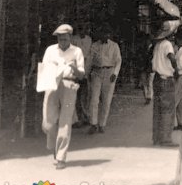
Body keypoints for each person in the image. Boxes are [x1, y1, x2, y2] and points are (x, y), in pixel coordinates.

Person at [41, 24, 85, 170]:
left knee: (65, 121)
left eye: (65, 39)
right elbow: (44, 70)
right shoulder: (50, 50)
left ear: (70, 38)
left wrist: (73, 68)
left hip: (69, 85)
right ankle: (54, 146)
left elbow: (82, 75)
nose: (62, 42)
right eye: (60, 39)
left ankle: (61, 156)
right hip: (52, 85)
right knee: (49, 121)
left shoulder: (77, 51)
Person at [88, 23, 122, 134]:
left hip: (110, 73)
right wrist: (87, 72)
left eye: (106, 33)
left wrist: (115, 74)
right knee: (94, 99)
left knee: (106, 100)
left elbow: (118, 61)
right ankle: (93, 123)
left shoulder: (114, 46)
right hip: (97, 72)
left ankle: (102, 124)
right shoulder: (94, 45)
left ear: (109, 34)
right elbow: (89, 60)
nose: (104, 35)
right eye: (102, 33)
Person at [152, 20, 180, 147]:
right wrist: (176, 71)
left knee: (157, 110)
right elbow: (172, 58)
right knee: (168, 110)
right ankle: (166, 139)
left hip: (157, 78)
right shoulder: (168, 44)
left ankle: (157, 137)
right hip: (166, 79)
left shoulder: (158, 45)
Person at [70, 24, 92, 128]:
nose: (83, 31)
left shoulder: (88, 39)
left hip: (85, 68)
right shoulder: (74, 39)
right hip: (76, 68)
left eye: (85, 29)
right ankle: (77, 119)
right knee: (76, 95)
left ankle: (85, 116)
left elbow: (89, 55)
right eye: (81, 29)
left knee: (84, 95)